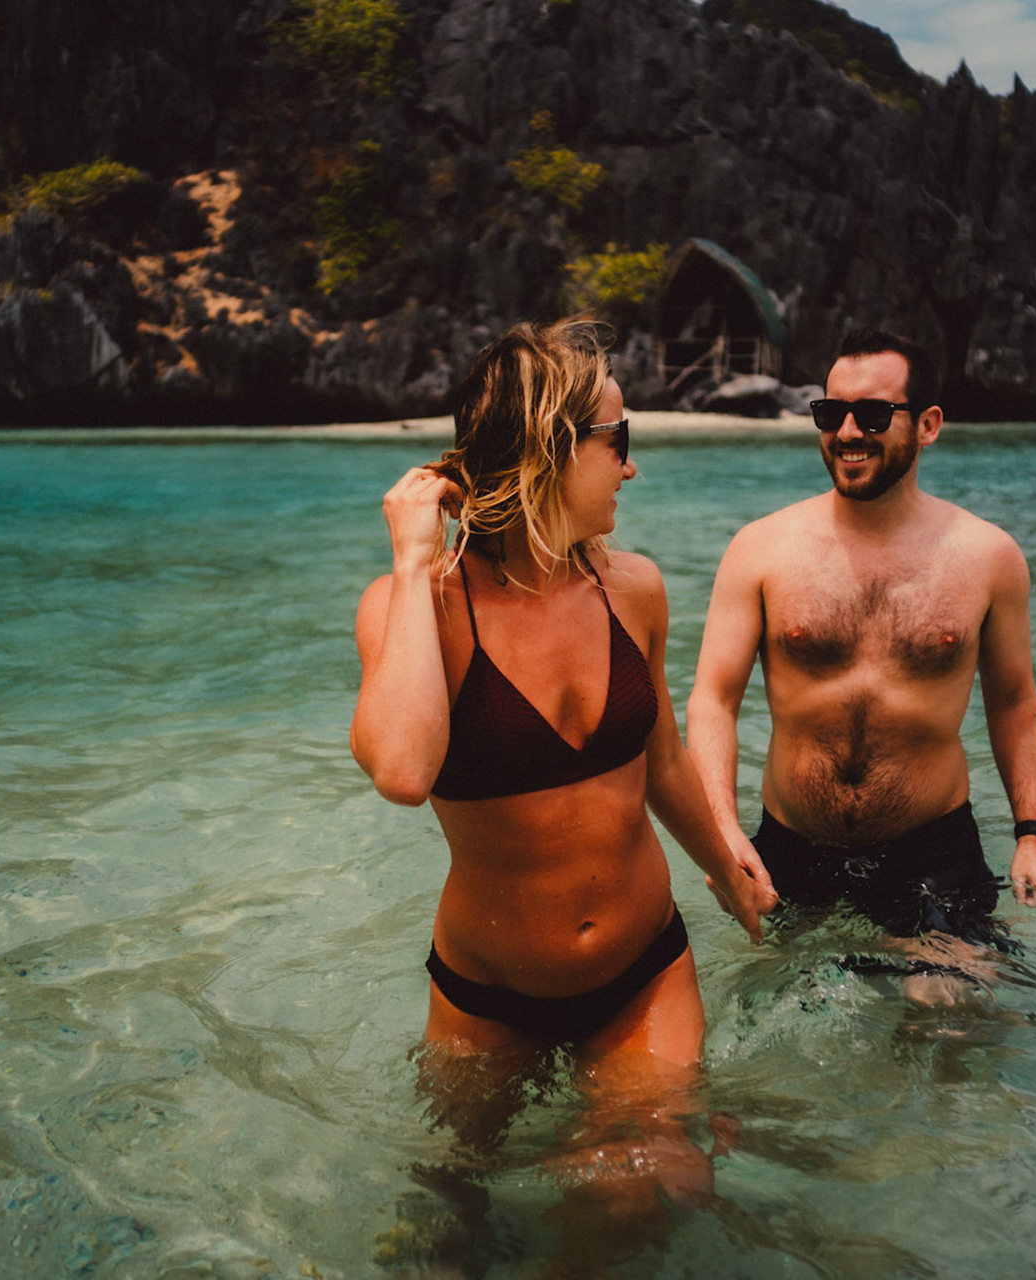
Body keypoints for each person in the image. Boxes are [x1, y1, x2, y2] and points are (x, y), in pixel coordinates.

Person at [349, 319, 776, 1268]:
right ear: (552, 449)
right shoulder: (419, 608)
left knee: (639, 1195)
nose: (632, 466)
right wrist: (413, 561)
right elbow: (403, 772)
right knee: (446, 1218)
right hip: (486, 999)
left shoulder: (635, 590)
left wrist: (726, 867)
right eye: (619, 440)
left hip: (643, 974)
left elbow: (662, 760)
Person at [687, 325, 1036, 988]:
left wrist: (1032, 836)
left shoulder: (988, 557)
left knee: (948, 1025)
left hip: (932, 853)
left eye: (871, 413)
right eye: (831, 412)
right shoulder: (760, 549)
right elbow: (714, 700)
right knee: (782, 1030)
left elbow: (1014, 701)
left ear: (928, 425)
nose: (848, 432)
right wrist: (722, 832)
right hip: (791, 853)